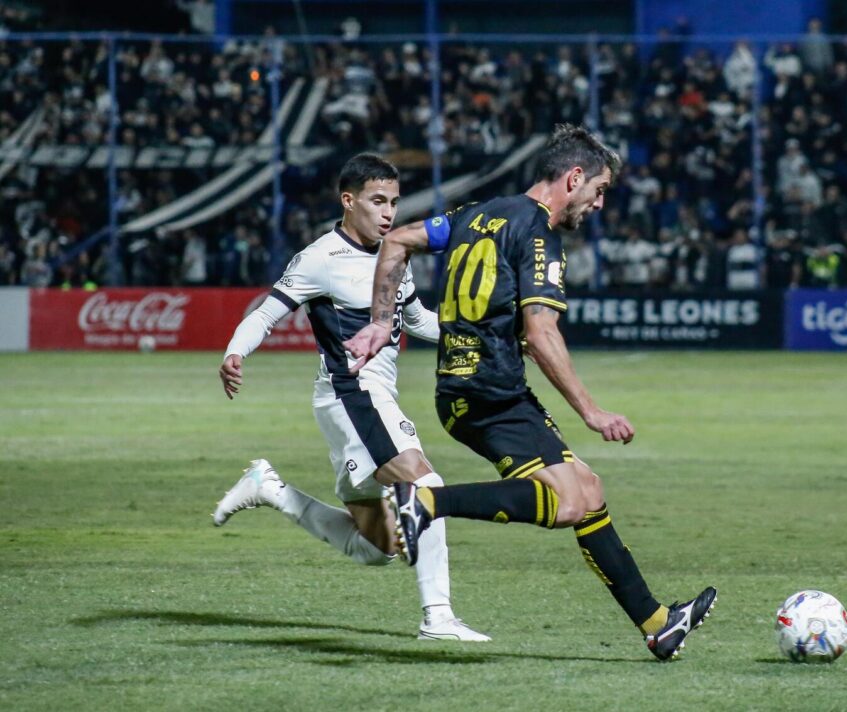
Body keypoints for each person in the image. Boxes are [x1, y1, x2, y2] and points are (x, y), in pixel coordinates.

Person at [344, 125, 716, 661]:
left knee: (587, 490)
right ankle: (424, 502)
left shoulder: (479, 214)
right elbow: (541, 334)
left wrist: (383, 321)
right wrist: (591, 411)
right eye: (599, 190)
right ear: (574, 177)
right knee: (566, 502)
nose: (599, 204)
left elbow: (398, 240)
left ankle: (659, 624)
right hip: (492, 393)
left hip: (467, 389)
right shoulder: (540, 234)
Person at [213, 153, 489, 642]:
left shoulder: (394, 254)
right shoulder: (322, 258)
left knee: (379, 548)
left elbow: (415, 320)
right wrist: (236, 351)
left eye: (394, 202)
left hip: (358, 402)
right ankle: (439, 618)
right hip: (353, 395)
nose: (388, 212)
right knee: (426, 484)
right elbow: (267, 313)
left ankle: (270, 489)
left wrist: (478, 334)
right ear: (348, 200)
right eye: (377, 201)